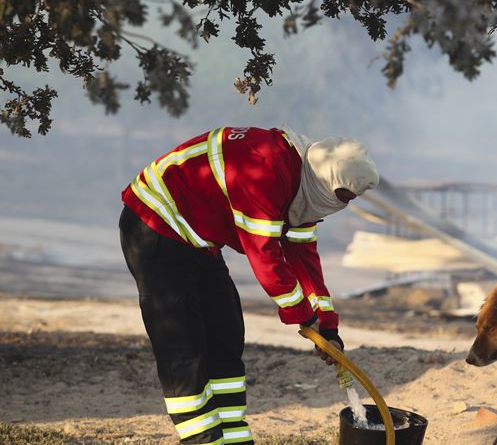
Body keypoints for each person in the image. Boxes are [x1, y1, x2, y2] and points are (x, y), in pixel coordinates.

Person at [118, 126, 379, 445]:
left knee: (225, 335)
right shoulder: (266, 169)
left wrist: (327, 327)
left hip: (199, 240)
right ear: (329, 182)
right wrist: (303, 318)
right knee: (184, 346)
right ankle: (204, 439)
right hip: (155, 224)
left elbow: (304, 259)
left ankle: (235, 437)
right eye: (344, 197)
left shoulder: (305, 183)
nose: (345, 206)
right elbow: (265, 255)